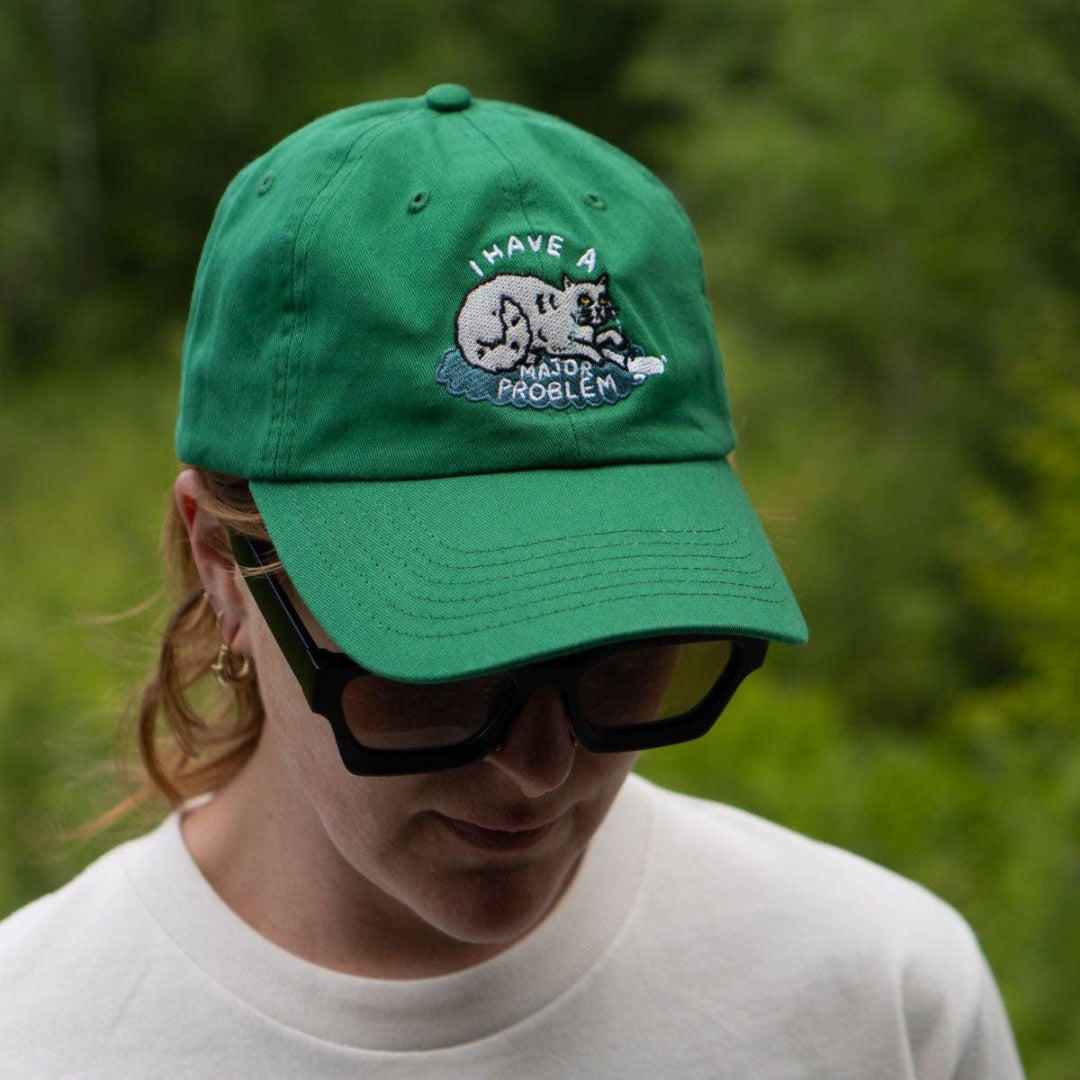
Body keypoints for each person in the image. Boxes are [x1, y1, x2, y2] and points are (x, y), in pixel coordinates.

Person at [0, 84, 1024, 1078]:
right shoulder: (39, 1037)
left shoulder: (883, 999)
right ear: (222, 563)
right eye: (441, 661)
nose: (539, 770)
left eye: (618, 652)